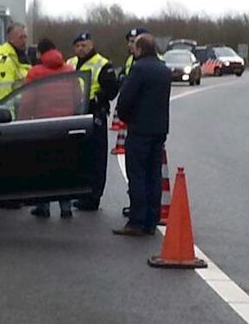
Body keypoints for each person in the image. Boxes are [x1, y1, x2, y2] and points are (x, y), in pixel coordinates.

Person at [113, 34, 171, 236]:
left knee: (136, 174)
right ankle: (151, 220)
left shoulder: (138, 69)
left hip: (139, 129)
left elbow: (125, 99)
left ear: (139, 50)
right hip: (159, 129)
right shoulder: (164, 70)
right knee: (153, 174)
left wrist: (126, 117)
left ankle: (136, 220)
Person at [23, 39, 80, 219]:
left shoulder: (35, 73)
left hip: (43, 125)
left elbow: (27, 100)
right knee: (65, 165)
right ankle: (66, 207)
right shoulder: (69, 70)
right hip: (66, 124)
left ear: (40, 53)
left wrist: (21, 121)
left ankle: (43, 206)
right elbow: (78, 96)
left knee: (43, 166)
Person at [67, 32, 119, 211]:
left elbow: (112, 90)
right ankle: (80, 192)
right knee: (79, 155)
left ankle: (93, 196)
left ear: (92, 45)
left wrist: (99, 97)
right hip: (74, 113)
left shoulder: (102, 64)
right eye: (78, 46)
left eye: (84, 45)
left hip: (94, 113)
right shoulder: (70, 63)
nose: (81, 49)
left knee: (96, 156)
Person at [0, 23, 31, 102]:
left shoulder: (21, 59)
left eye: (25, 37)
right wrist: (8, 114)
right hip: (13, 112)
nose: (24, 41)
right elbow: (3, 97)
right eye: (21, 37)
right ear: (10, 39)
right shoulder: (3, 63)